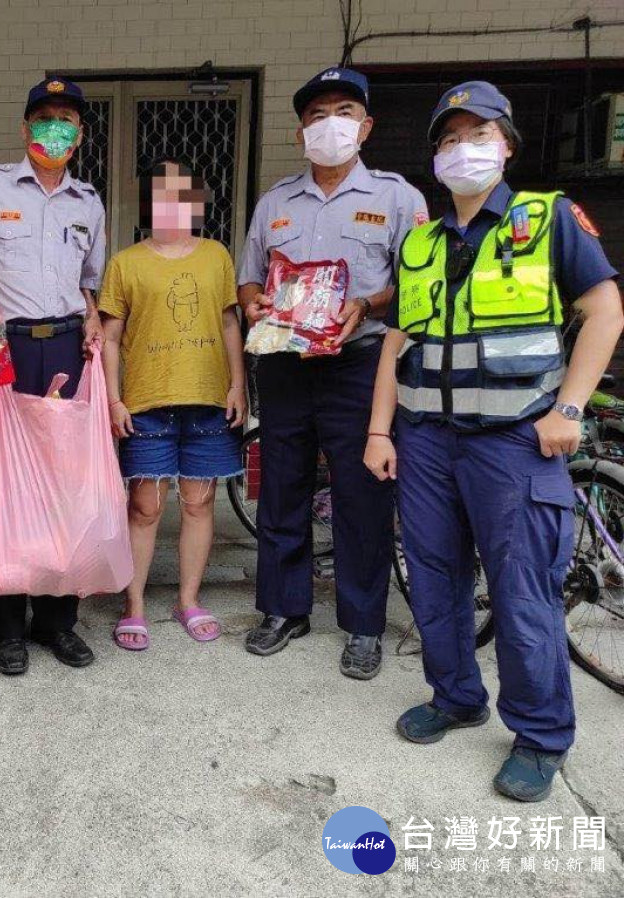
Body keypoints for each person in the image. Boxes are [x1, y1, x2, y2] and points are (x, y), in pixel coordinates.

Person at [364, 81, 622, 801]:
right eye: (450, 138)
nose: (463, 148)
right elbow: (396, 343)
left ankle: (540, 734)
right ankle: (456, 696)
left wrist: (568, 407)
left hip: (513, 443)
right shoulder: (418, 241)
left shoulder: (548, 219)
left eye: (479, 134)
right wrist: (380, 430)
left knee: (521, 593)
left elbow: (604, 313)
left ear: (506, 145)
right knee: (434, 578)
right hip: (425, 441)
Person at [236, 67, 428, 679]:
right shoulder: (275, 202)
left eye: (343, 112)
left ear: (365, 126)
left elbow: (418, 290)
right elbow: (248, 277)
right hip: (285, 361)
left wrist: (366, 304)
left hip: (361, 363)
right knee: (282, 484)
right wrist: (252, 304)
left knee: (361, 493)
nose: (330, 125)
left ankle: (364, 623)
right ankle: (284, 609)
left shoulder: (399, 198)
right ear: (301, 132)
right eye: (317, 115)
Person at [0, 77, 107, 676]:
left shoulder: (87, 201)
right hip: (8, 351)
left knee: (67, 486)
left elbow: (87, 281)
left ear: (80, 134)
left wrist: (92, 318)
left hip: (67, 346)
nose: (55, 129)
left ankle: (58, 623)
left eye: (67, 120)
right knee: (8, 488)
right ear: (25, 128)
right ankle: (8, 627)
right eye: (44, 118)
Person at [100, 159, 246, 650]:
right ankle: (134, 604)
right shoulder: (125, 263)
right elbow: (110, 338)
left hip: (207, 398)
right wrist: (114, 398)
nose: (173, 204)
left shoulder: (216, 256)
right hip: (146, 401)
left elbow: (230, 323)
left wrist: (238, 385)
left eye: (184, 195)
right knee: (143, 507)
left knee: (199, 502)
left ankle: (188, 600)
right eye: (162, 195)